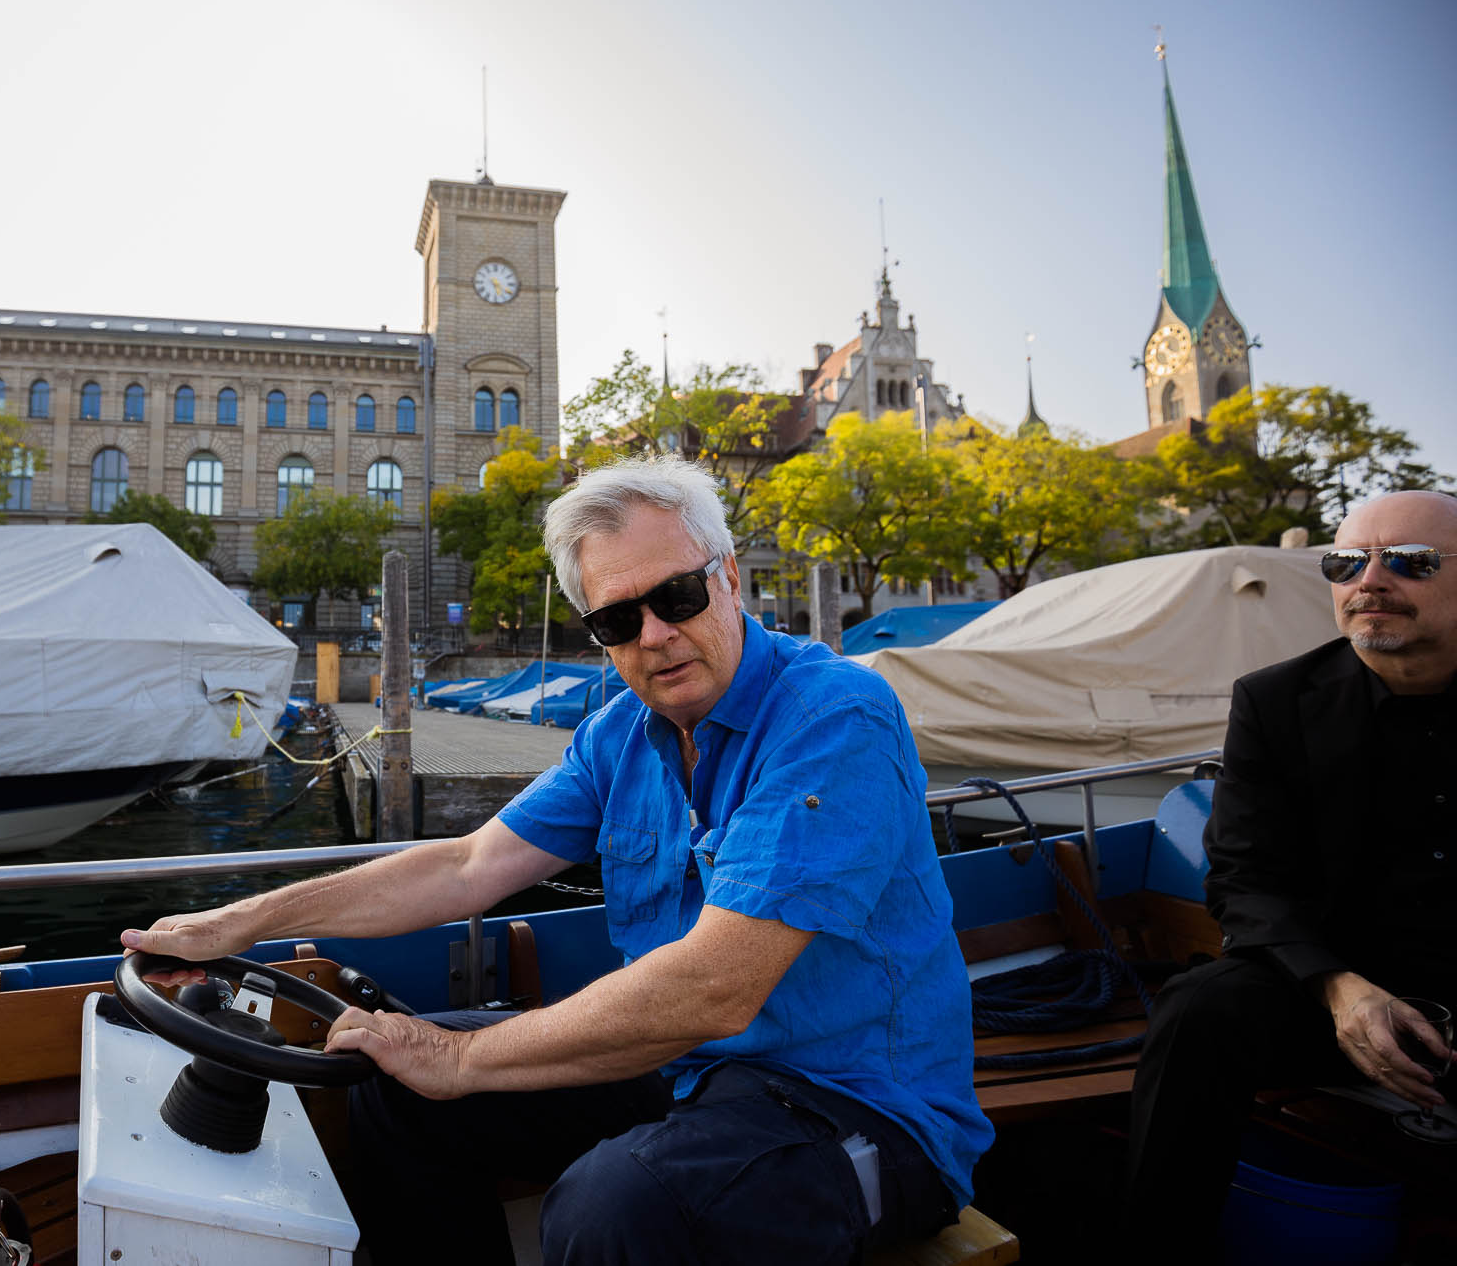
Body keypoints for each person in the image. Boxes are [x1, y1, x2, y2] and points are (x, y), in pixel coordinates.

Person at [123, 455, 990, 1265]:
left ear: (729, 576)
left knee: (614, 1205)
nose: (654, 634)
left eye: (678, 595)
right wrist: (244, 920)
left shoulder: (835, 715)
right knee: (389, 1086)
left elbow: (716, 986)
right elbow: (467, 866)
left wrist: (460, 1057)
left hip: (860, 1108)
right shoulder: (618, 736)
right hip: (690, 1073)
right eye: (618, 618)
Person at [1126, 489, 1457, 1245]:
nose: (1370, 580)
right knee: (1197, 1012)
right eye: (1346, 562)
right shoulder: (1275, 702)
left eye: (1408, 561)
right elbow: (1243, 876)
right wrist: (1339, 989)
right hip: (1335, 985)